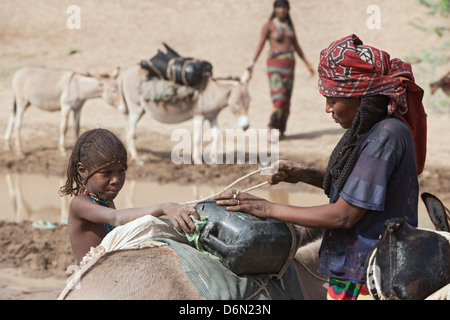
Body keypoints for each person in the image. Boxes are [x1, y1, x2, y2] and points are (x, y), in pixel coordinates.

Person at [215, 34, 427, 300]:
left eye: (333, 100)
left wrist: (266, 208)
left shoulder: (387, 134)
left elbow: (343, 215)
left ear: (361, 98)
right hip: (355, 272)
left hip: (375, 280)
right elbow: (357, 186)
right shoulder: (370, 127)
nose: (327, 108)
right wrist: (302, 174)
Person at [59, 128, 199, 264]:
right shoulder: (80, 204)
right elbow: (117, 218)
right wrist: (165, 207)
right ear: (83, 170)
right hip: (91, 279)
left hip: (112, 271)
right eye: (106, 173)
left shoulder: (105, 201)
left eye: (121, 171)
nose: (116, 180)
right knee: (148, 226)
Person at [248, 0, 315, 139]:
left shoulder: (289, 26)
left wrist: (307, 64)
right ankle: (271, 126)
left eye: (284, 8)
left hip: (290, 65)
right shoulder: (269, 25)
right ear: (274, 9)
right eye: (279, 8)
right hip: (274, 66)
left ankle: (281, 129)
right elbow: (260, 45)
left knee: (287, 99)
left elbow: (296, 46)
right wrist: (252, 63)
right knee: (280, 96)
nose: (282, 11)